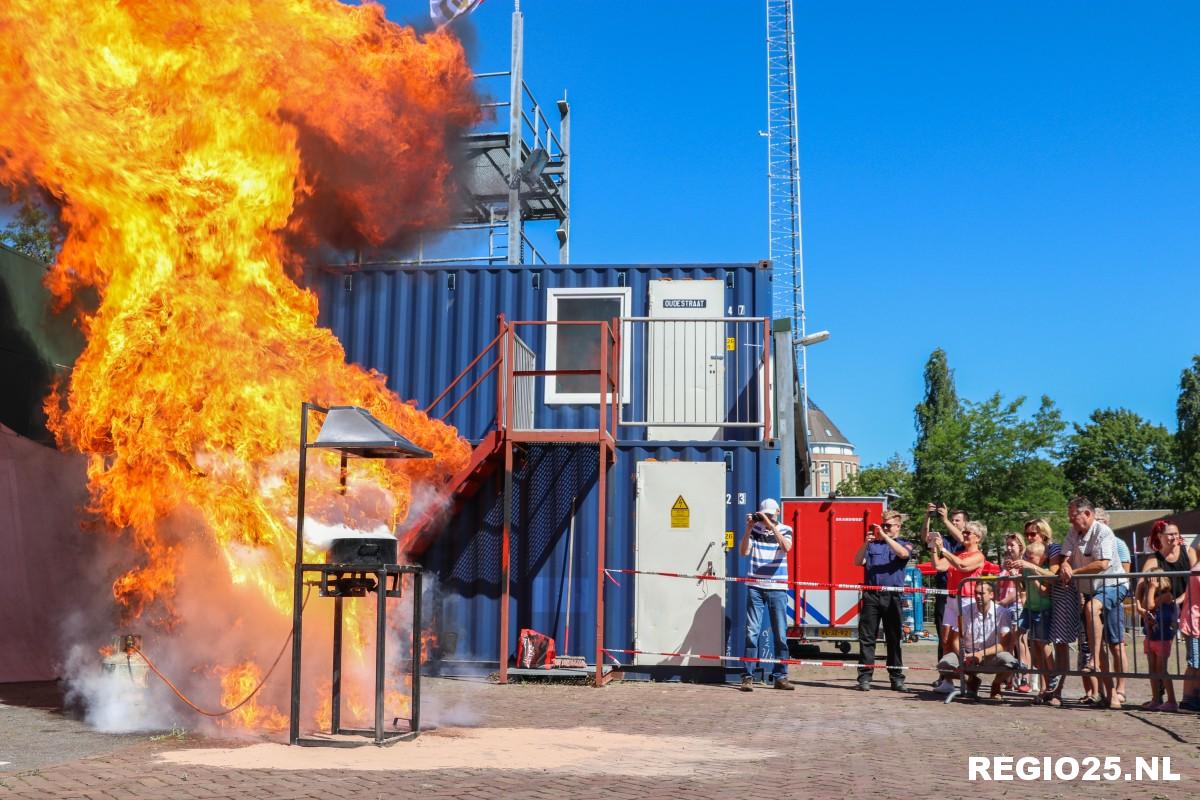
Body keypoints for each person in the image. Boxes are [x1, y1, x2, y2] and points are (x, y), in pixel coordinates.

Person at [1060, 496, 1127, 709]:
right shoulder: (1073, 532)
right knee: (1095, 620)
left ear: (1087, 514)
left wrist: (1074, 571)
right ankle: (1111, 694)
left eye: (1074, 517)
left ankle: (1099, 663)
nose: (1071, 521)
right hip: (1091, 589)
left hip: (1113, 585)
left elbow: (1103, 563)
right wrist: (1063, 565)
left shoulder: (1104, 532)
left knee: (1116, 643)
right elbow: (1065, 555)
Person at [854, 510, 914, 691]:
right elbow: (857, 561)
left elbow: (903, 554)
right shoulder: (873, 545)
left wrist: (887, 538)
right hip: (872, 595)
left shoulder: (905, 543)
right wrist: (866, 542)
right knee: (867, 638)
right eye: (883, 525)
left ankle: (896, 678)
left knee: (894, 638)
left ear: (898, 526)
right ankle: (864, 677)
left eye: (888, 525)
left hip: (892, 596)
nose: (885, 528)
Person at [738, 498, 794, 692]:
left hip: (778, 587)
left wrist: (771, 525)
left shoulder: (786, 529)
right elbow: (743, 552)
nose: (769, 518)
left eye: (772, 514)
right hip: (755, 586)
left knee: (780, 633)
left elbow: (786, 547)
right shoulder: (754, 530)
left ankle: (781, 676)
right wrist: (748, 528)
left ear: (778, 512)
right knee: (751, 632)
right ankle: (747, 676)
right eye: (766, 515)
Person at [935, 581, 1023, 701]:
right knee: (943, 665)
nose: (977, 596)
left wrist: (980, 654)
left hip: (991, 655)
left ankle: (996, 685)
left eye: (981, 593)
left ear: (991, 595)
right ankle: (971, 679)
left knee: (1012, 663)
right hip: (967, 653)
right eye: (976, 593)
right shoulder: (964, 610)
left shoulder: (1002, 612)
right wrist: (963, 655)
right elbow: (955, 639)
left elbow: (1004, 644)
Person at [929, 520, 986, 693]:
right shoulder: (959, 553)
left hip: (967, 600)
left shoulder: (978, 556)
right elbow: (938, 566)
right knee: (946, 641)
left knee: (958, 640)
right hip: (952, 599)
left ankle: (970, 675)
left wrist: (944, 550)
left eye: (969, 533)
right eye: (965, 532)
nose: (965, 535)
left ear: (978, 537)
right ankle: (948, 680)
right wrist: (934, 548)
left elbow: (962, 566)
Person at [1006, 537, 1053, 702]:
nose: (1026, 560)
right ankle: (1026, 669)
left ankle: (1049, 683)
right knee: (1019, 634)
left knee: (1043, 645)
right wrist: (1014, 575)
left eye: (1031, 557)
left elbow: (1044, 592)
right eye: (1026, 556)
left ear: (1042, 558)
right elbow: (1022, 588)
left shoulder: (1043, 570)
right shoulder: (1026, 569)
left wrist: (1032, 571)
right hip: (1029, 609)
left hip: (1042, 610)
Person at [922, 504, 968, 658]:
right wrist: (927, 516)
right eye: (952, 520)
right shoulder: (945, 540)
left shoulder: (968, 542)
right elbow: (925, 537)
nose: (954, 523)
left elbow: (961, 538)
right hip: (944, 590)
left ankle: (965, 669)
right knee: (944, 634)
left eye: (957, 521)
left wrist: (945, 519)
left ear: (965, 524)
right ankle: (944, 673)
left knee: (963, 634)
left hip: (963, 593)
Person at [997, 532, 1031, 693]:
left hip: (1017, 605)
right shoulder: (1005, 564)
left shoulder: (1023, 564)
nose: (1009, 548)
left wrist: (1005, 600)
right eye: (1008, 545)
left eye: (1013, 545)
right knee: (1007, 643)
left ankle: (1025, 677)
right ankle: (1008, 676)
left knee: (1021, 642)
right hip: (1003, 608)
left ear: (1020, 546)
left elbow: (1022, 589)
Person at [1140, 573, 1179, 711]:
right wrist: (1149, 590)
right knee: (1152, 669)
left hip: (1163, 638)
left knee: (1162, 669)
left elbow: (1150, 605)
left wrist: (1151, 589)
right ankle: (1156, 699)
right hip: (1151, 637)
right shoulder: (1151, 594)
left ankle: (1172, 701)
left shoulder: (1167, 595)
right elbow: (1145, 606)